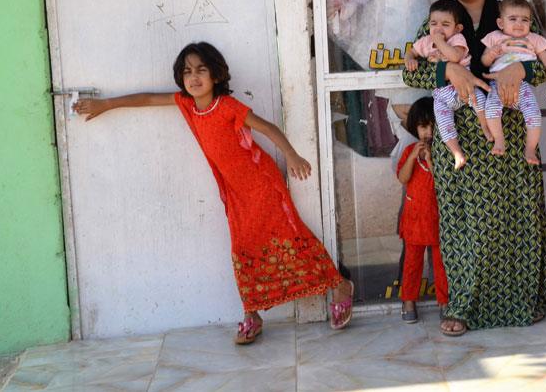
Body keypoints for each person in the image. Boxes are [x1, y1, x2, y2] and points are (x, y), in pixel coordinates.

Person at [72, 42, 354, 344]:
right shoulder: (186, 104)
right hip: (233, 192)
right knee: (241, 249)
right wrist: (106, 105)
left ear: (216, 75)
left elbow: (268, 128)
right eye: (187, 72)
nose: (194, 78)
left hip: (261, 184)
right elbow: (148, 98)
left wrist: (292, 156)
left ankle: (338, 286)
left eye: (201, 70)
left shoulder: (228, 107)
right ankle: (252, 313)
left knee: (289, 234)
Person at [403, 0, 546, 336]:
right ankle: (464, 307)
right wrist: (447, 73)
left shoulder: (511, 14)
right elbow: (411, 70)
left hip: (511, 134)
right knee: (466, 227)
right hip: (461, 143)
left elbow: (542, 64)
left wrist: (520, 72)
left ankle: (523, 301)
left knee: (518, 220)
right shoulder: (441, 19)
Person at [405, 0, 491, 170]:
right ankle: (456, 152)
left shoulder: (457, 39)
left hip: (464, 89)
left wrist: (440, 42)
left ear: (457, 28)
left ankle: (486, 127)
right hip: (443, 94)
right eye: (434, 23)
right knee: (444, 124)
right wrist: (409, 59)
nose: (438, 28)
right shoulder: (426, 40)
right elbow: (412, 54)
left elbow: (454, 57)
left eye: (445, 24)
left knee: (479, 100)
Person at [480, 0, 546, 164]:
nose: (519, 24)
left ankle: (530, 149)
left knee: (534, 114)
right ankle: (499, 139)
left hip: (522, 87)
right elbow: (484, 62)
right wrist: (490, 55)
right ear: (501, 23)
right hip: (497, 85)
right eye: (513, 19)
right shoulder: (495, 37)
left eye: (524, 20)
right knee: (491, 109)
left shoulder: (533, 38)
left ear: (530, 23)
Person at [395, 97, 449, 324]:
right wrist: (413, 158)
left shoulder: (444, 152)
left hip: (438, 219)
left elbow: (443, 182)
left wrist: (431, 159)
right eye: (423, 127)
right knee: (412, 263)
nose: (428, 132)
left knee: (441, 264)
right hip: (415, 219)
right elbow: (403, 178)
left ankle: (444, 302)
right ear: (415, 127)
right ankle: (408, 301)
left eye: (433, 127)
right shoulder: (409, 151)